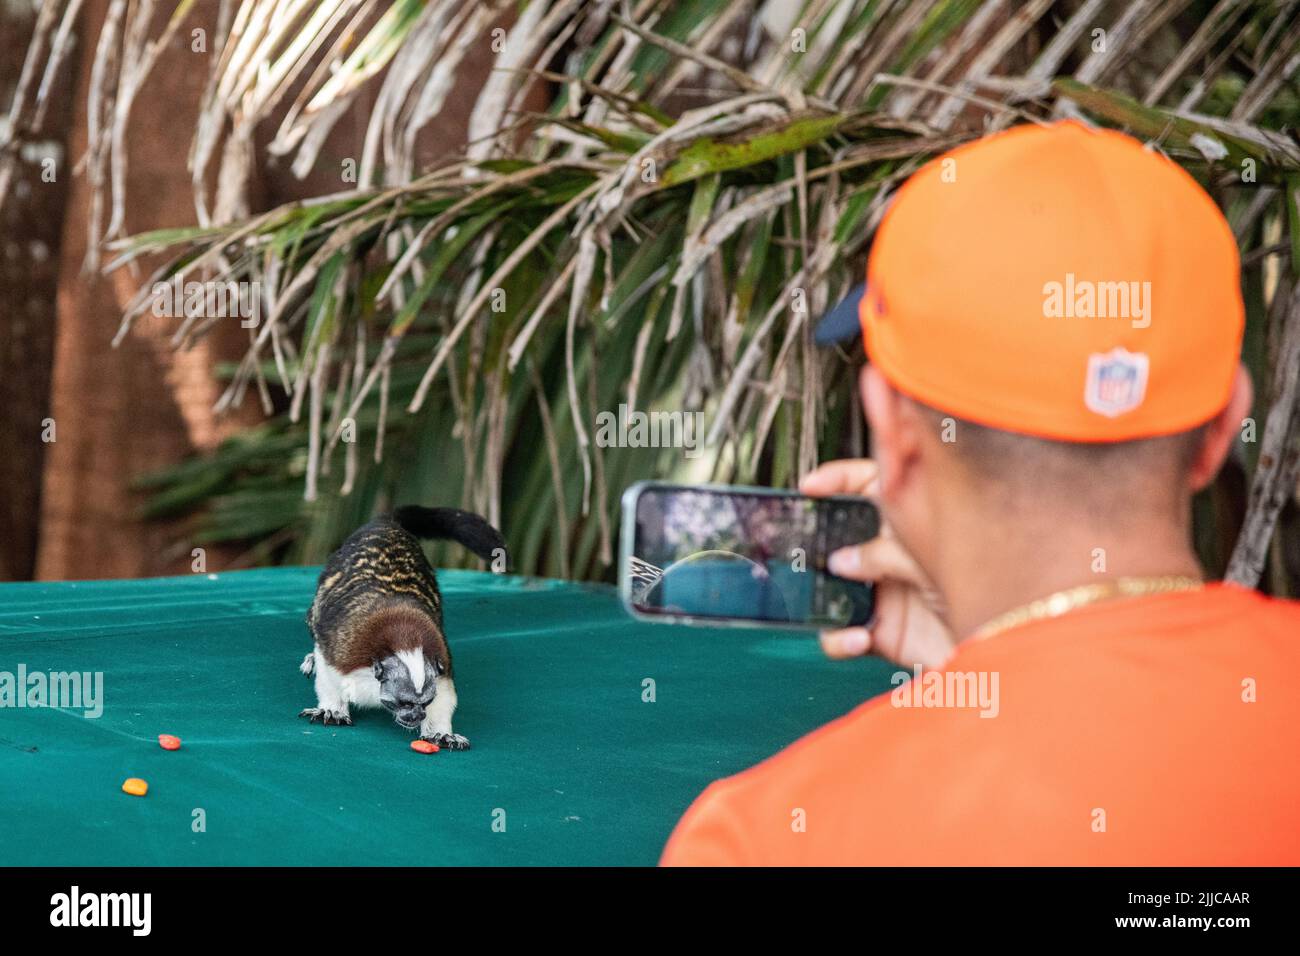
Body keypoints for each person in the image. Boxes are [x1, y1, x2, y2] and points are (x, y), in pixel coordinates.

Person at [660, 121, 1300, 866]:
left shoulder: (762, 839)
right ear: (1224, 423)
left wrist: (998, 680)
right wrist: (997, 670)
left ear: (894, 434)